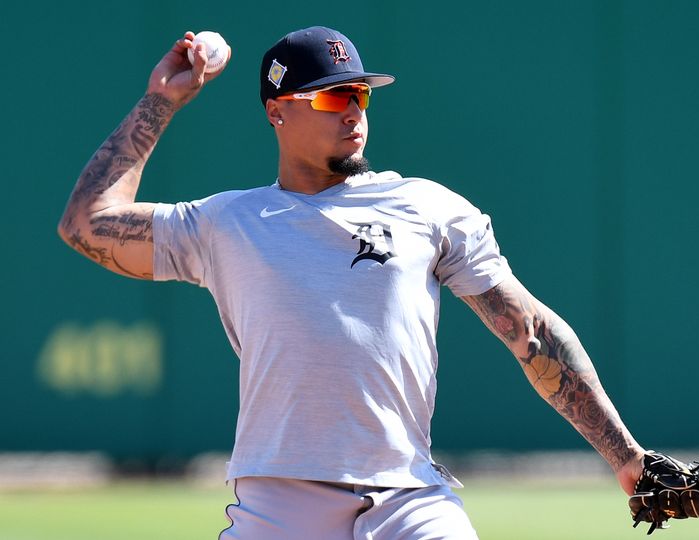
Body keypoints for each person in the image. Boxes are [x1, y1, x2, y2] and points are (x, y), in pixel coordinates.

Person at [59, 26, 646, 539]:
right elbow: (86, 224)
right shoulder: (225, 223)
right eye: (334, 95)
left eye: (361, 94)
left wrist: (628, 459)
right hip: (280, 500)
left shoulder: (426, 207)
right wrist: (161, 101)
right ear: (277, 111)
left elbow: (533, 333)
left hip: (408, 498)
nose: (353, 111)